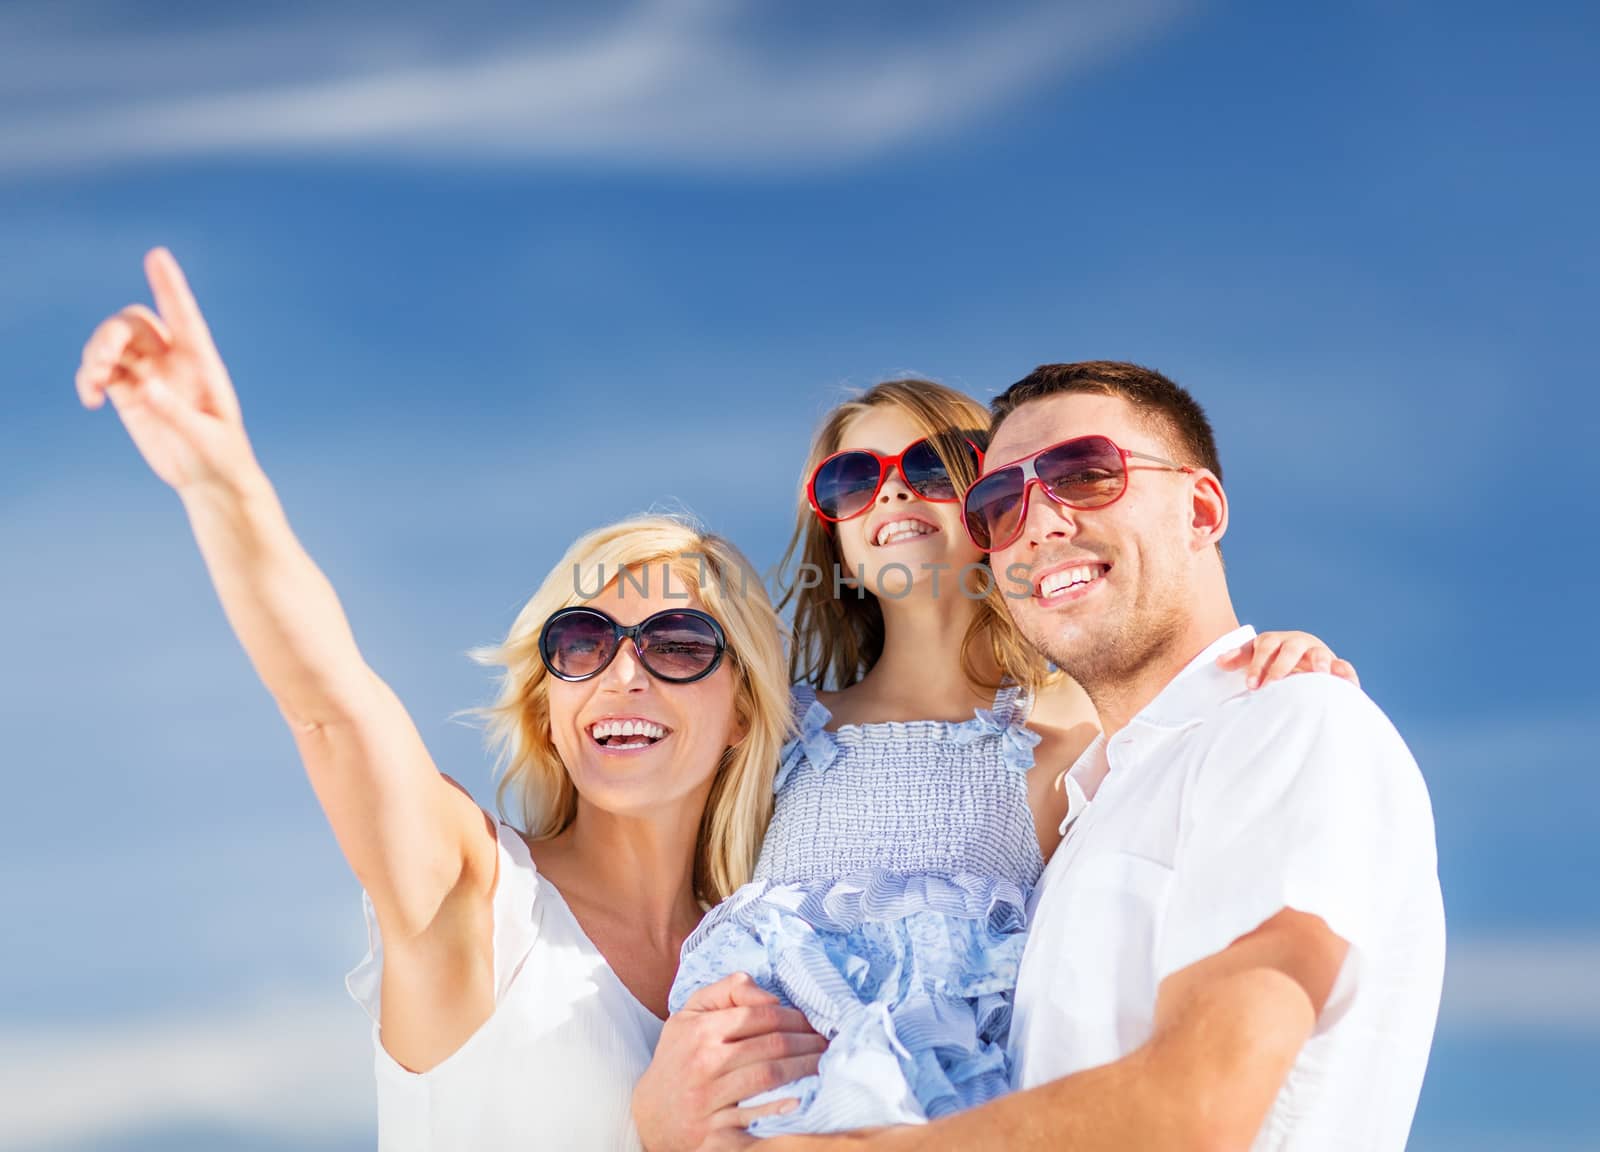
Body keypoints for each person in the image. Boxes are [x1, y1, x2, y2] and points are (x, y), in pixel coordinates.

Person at [73, 249, 815, 1152]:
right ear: (549, 703)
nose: (625, 672)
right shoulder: (475, 895)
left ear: (744, 713)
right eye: (582, 643)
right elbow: (331, 708)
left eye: (678, 645)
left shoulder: (781, 960)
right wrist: (223, 483)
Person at [638, 379, 1359, 1146]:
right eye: (851, 483)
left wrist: (1273, 659)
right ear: (836, 546)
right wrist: (654, 1109)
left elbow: (1184, 746)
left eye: (928, 469)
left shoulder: (1078, 732)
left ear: (998, 507)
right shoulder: (774, 729)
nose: (888, 495)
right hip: (764, 1107)